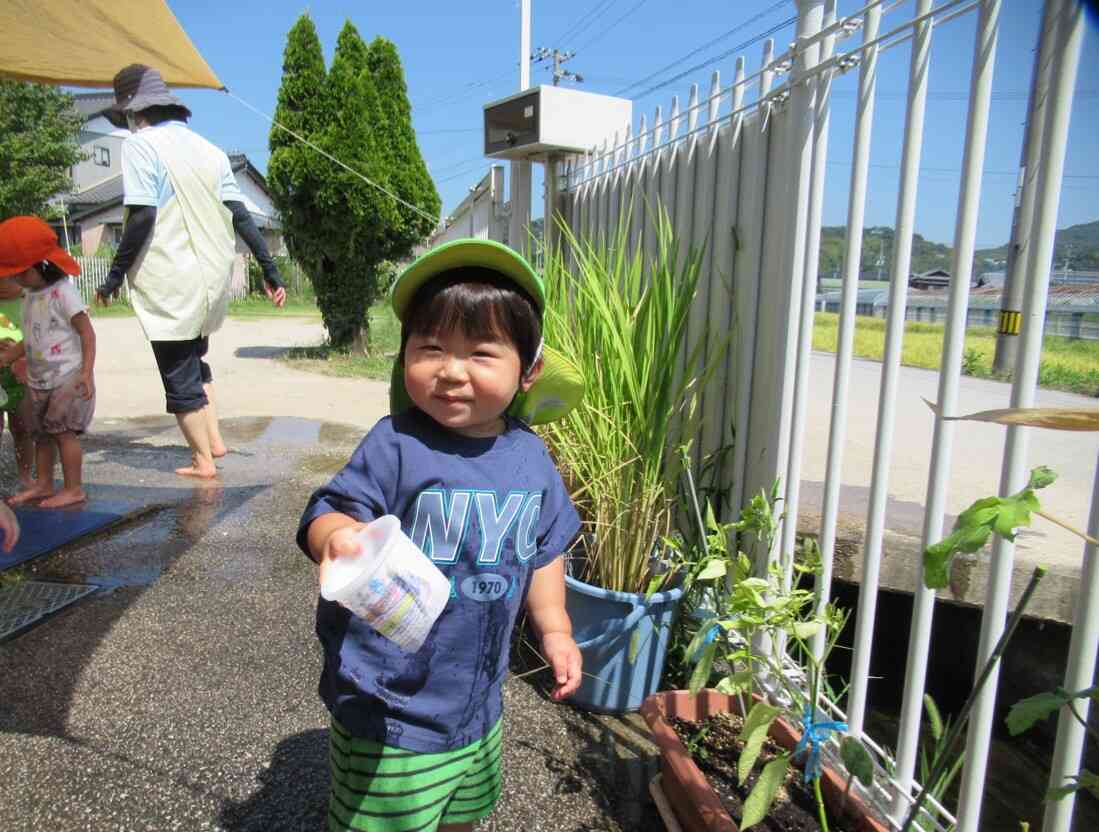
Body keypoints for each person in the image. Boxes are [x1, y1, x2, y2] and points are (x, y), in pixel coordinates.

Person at [298, 239, 585, 832]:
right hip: (389, 699)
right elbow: (329, 508)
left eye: (481, 353)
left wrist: (554, 627)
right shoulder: (396, 444)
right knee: (382, 821)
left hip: (476, 698)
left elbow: (545, 548)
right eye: (430, 348)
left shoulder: (530, 456)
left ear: (527, 370)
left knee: (463, 811)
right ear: (404, 355)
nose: (451, 371)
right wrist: (337, 537)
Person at [94, 63, 287, 480]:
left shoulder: (140, 145)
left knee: (178, 371)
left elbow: (141, 217)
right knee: (196, 361)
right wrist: (271, 270)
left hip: (171, 278)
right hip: (210, 280)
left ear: (133, 112)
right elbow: (242, 216)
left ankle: (202, 460)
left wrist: (113, 277)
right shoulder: (211, 151)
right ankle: (214, 441)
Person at [0, 217, 96, 508]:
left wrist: (86, 372)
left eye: (19, 273)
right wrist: (9, 357)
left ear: (42, 265)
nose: (14, 280)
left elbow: (86, 333)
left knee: (63, 432)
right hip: (40, 379)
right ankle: (43, 483)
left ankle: (73, 488)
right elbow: (30, 337)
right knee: (40, 433)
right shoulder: (31, 295)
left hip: (66, 376)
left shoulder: (63, 293)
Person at [0, 277, 34, 486]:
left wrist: (20, 352)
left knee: (23, 428)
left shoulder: (31, 302)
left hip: (22, 373)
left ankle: (25, 476)